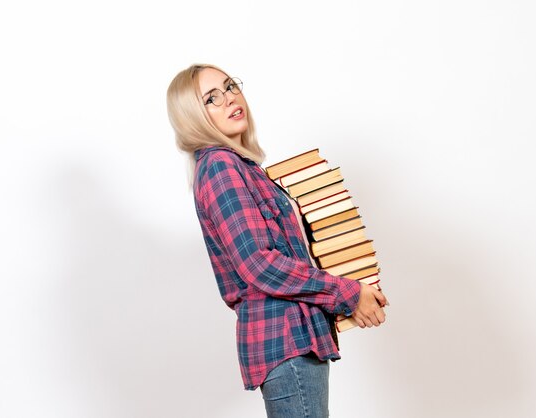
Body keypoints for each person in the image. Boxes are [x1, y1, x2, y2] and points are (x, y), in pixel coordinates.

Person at [166, 64, 389, 418]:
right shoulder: (222, 166)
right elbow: (259, 264)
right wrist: (347, 294)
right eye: (211, 98)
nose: (230, 99)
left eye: (230, 87)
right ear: (194, 116)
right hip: (285, 341)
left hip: (295, 340)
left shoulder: (243, 167)